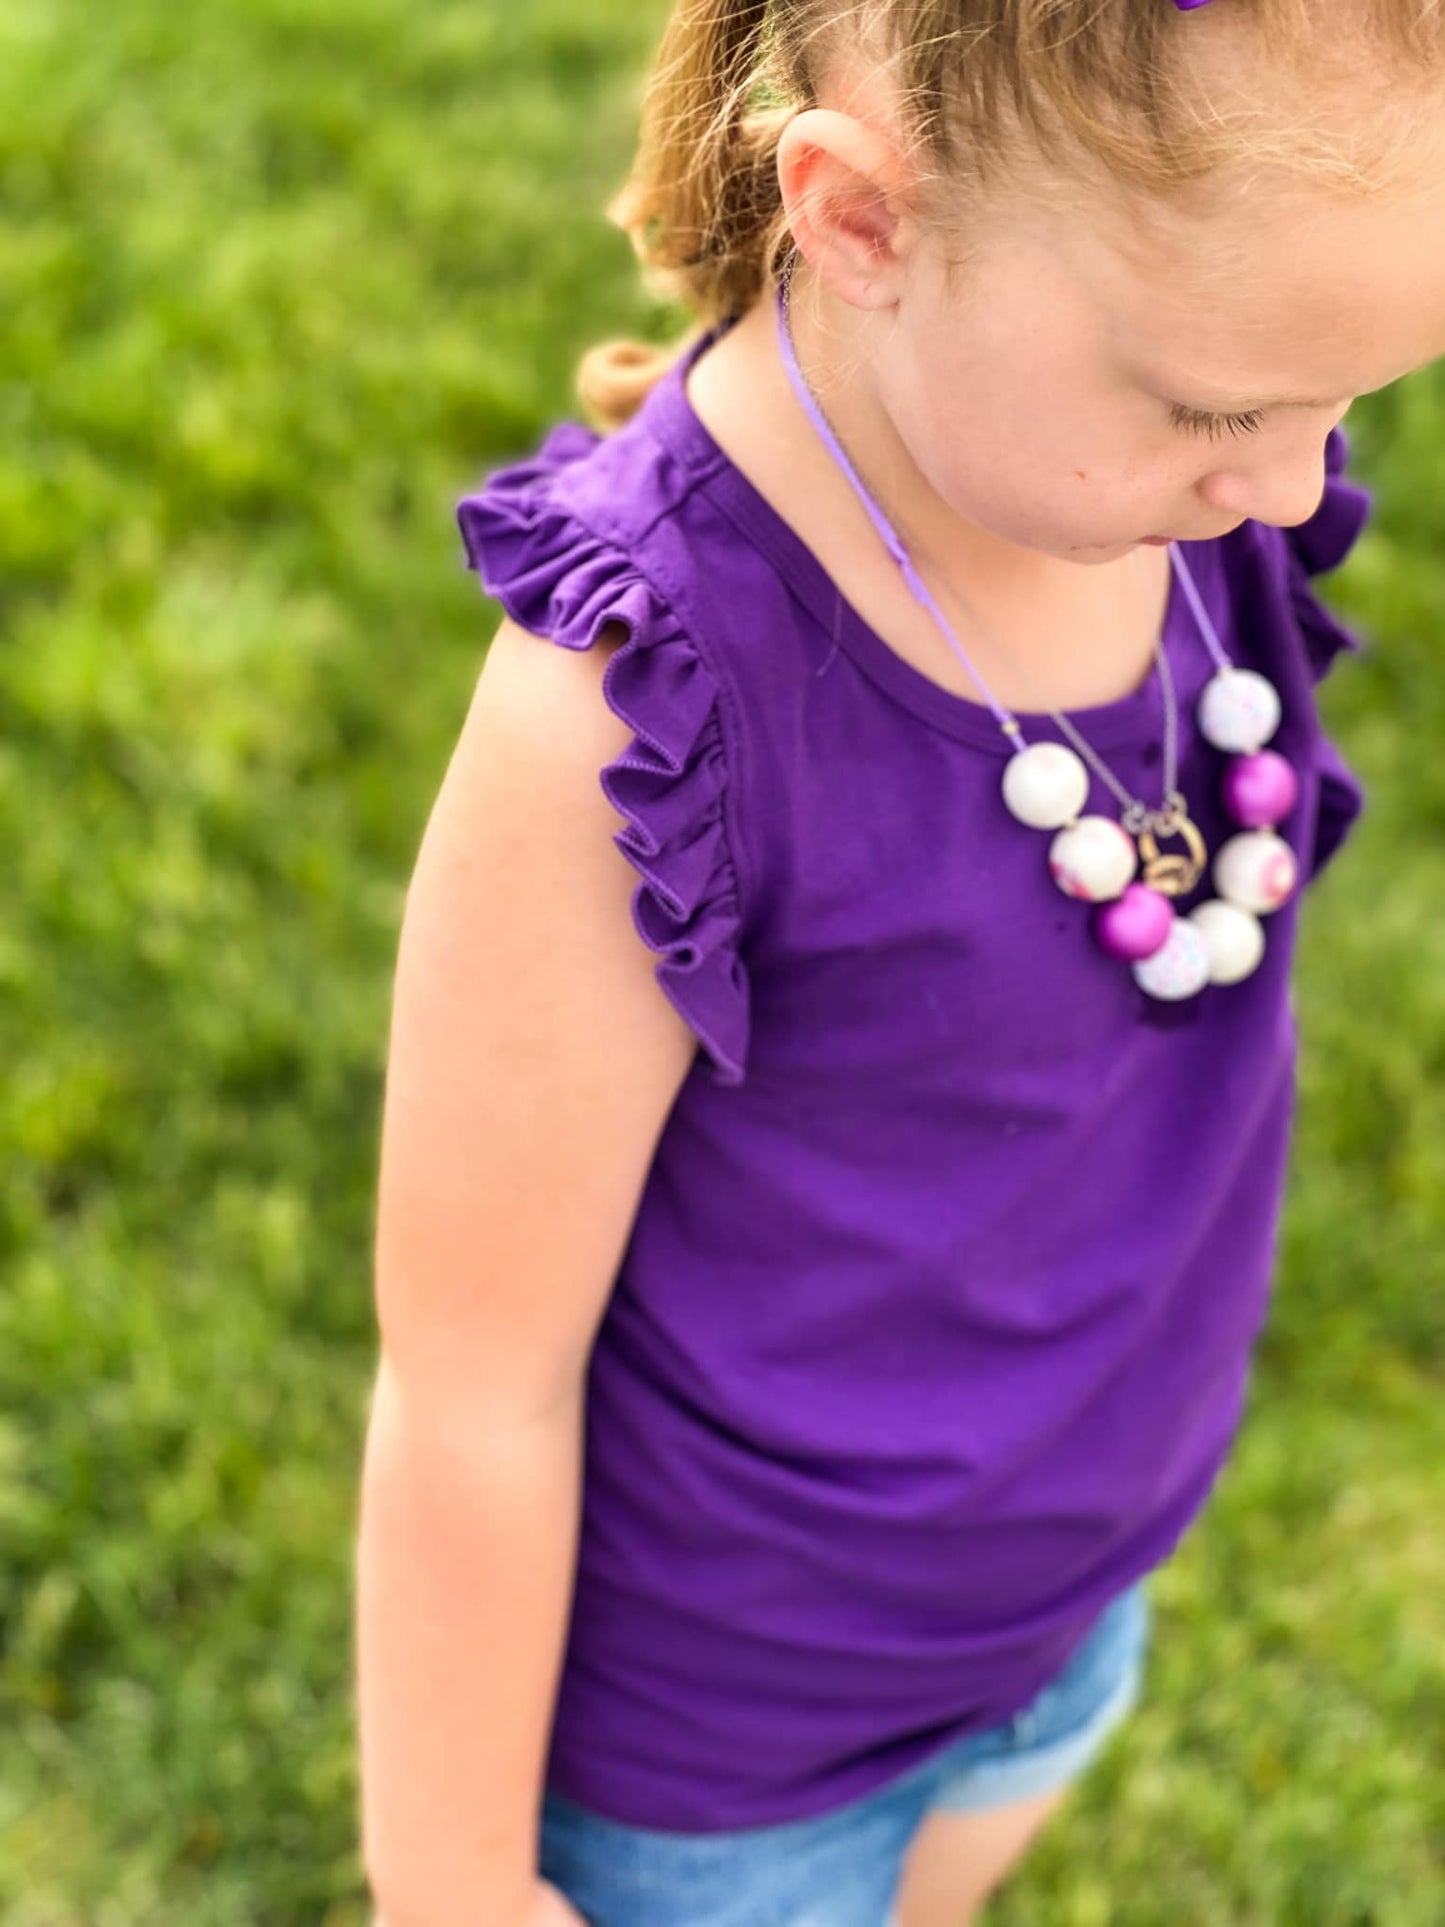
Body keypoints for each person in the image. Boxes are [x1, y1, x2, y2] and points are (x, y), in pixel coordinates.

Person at [356, 3, 1445, 1923]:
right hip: (733, 1747)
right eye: (1218, 407)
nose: (1288, 491)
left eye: (1349, 400)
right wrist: (449, 1880)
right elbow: (471, 1380)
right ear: (859, 223)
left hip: (1053, 1613)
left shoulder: (1147, 475)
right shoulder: (635, 720)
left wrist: (1224, 409)